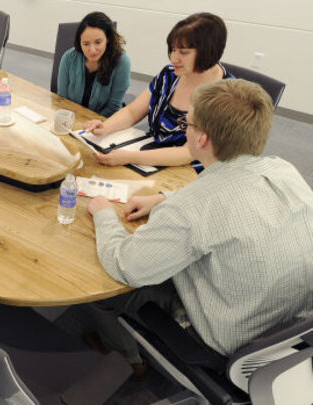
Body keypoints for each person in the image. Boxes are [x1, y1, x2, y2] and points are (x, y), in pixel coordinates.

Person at [85, 79, 313, 375]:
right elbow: (231, 197)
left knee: (102, 291)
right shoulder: (283, 169)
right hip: (290, 333)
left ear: (202, 138)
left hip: (227, 343)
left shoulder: (192, 207)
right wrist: (165, 198)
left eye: (187, 123)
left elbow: (124, 264)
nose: (184, 128)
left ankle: (130, 362)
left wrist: (103, 213)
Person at [84, 13, 233, 168]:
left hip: (191, 172)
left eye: (183, 52)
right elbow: (132, 112)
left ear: (208, 52)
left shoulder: (225, 96)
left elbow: (188, 152)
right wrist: (105, 127)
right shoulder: (170, 75)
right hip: (150, 157)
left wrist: (130, 157)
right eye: (173, 50)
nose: (174, 58)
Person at [57, 12, 130, 117]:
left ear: (107, 39)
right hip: (72, 118)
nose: (92, 50)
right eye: (86, 44)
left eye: (98, 42)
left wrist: (89, 124)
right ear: (80, 42)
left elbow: (113, 107)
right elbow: (62, 98)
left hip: (103, 122)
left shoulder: (122, 62)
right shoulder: (69, 58)